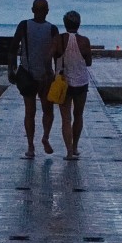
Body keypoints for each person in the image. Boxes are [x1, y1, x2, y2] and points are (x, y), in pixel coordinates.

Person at [13, 0, 59, 157]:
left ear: (32, 9)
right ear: (48, 10)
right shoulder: (52, 29)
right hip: (43, 76)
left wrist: (10, 71)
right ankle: (44, 138)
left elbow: (12, 48)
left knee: (30, 112)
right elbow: (56, 54)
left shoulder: (24, 25)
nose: (40, 12)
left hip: (29, 74)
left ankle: (31, 146)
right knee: (47, 111)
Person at [53, 9, 93, 159]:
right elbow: (88, 62)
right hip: (81, 82)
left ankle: (69, 152)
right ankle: (75, 147)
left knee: (66, 118)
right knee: (79, 115)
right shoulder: (85, 41)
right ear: (79, 24)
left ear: (64, 24)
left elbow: (51, 55)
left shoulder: (58, 39)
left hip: (63, 83)